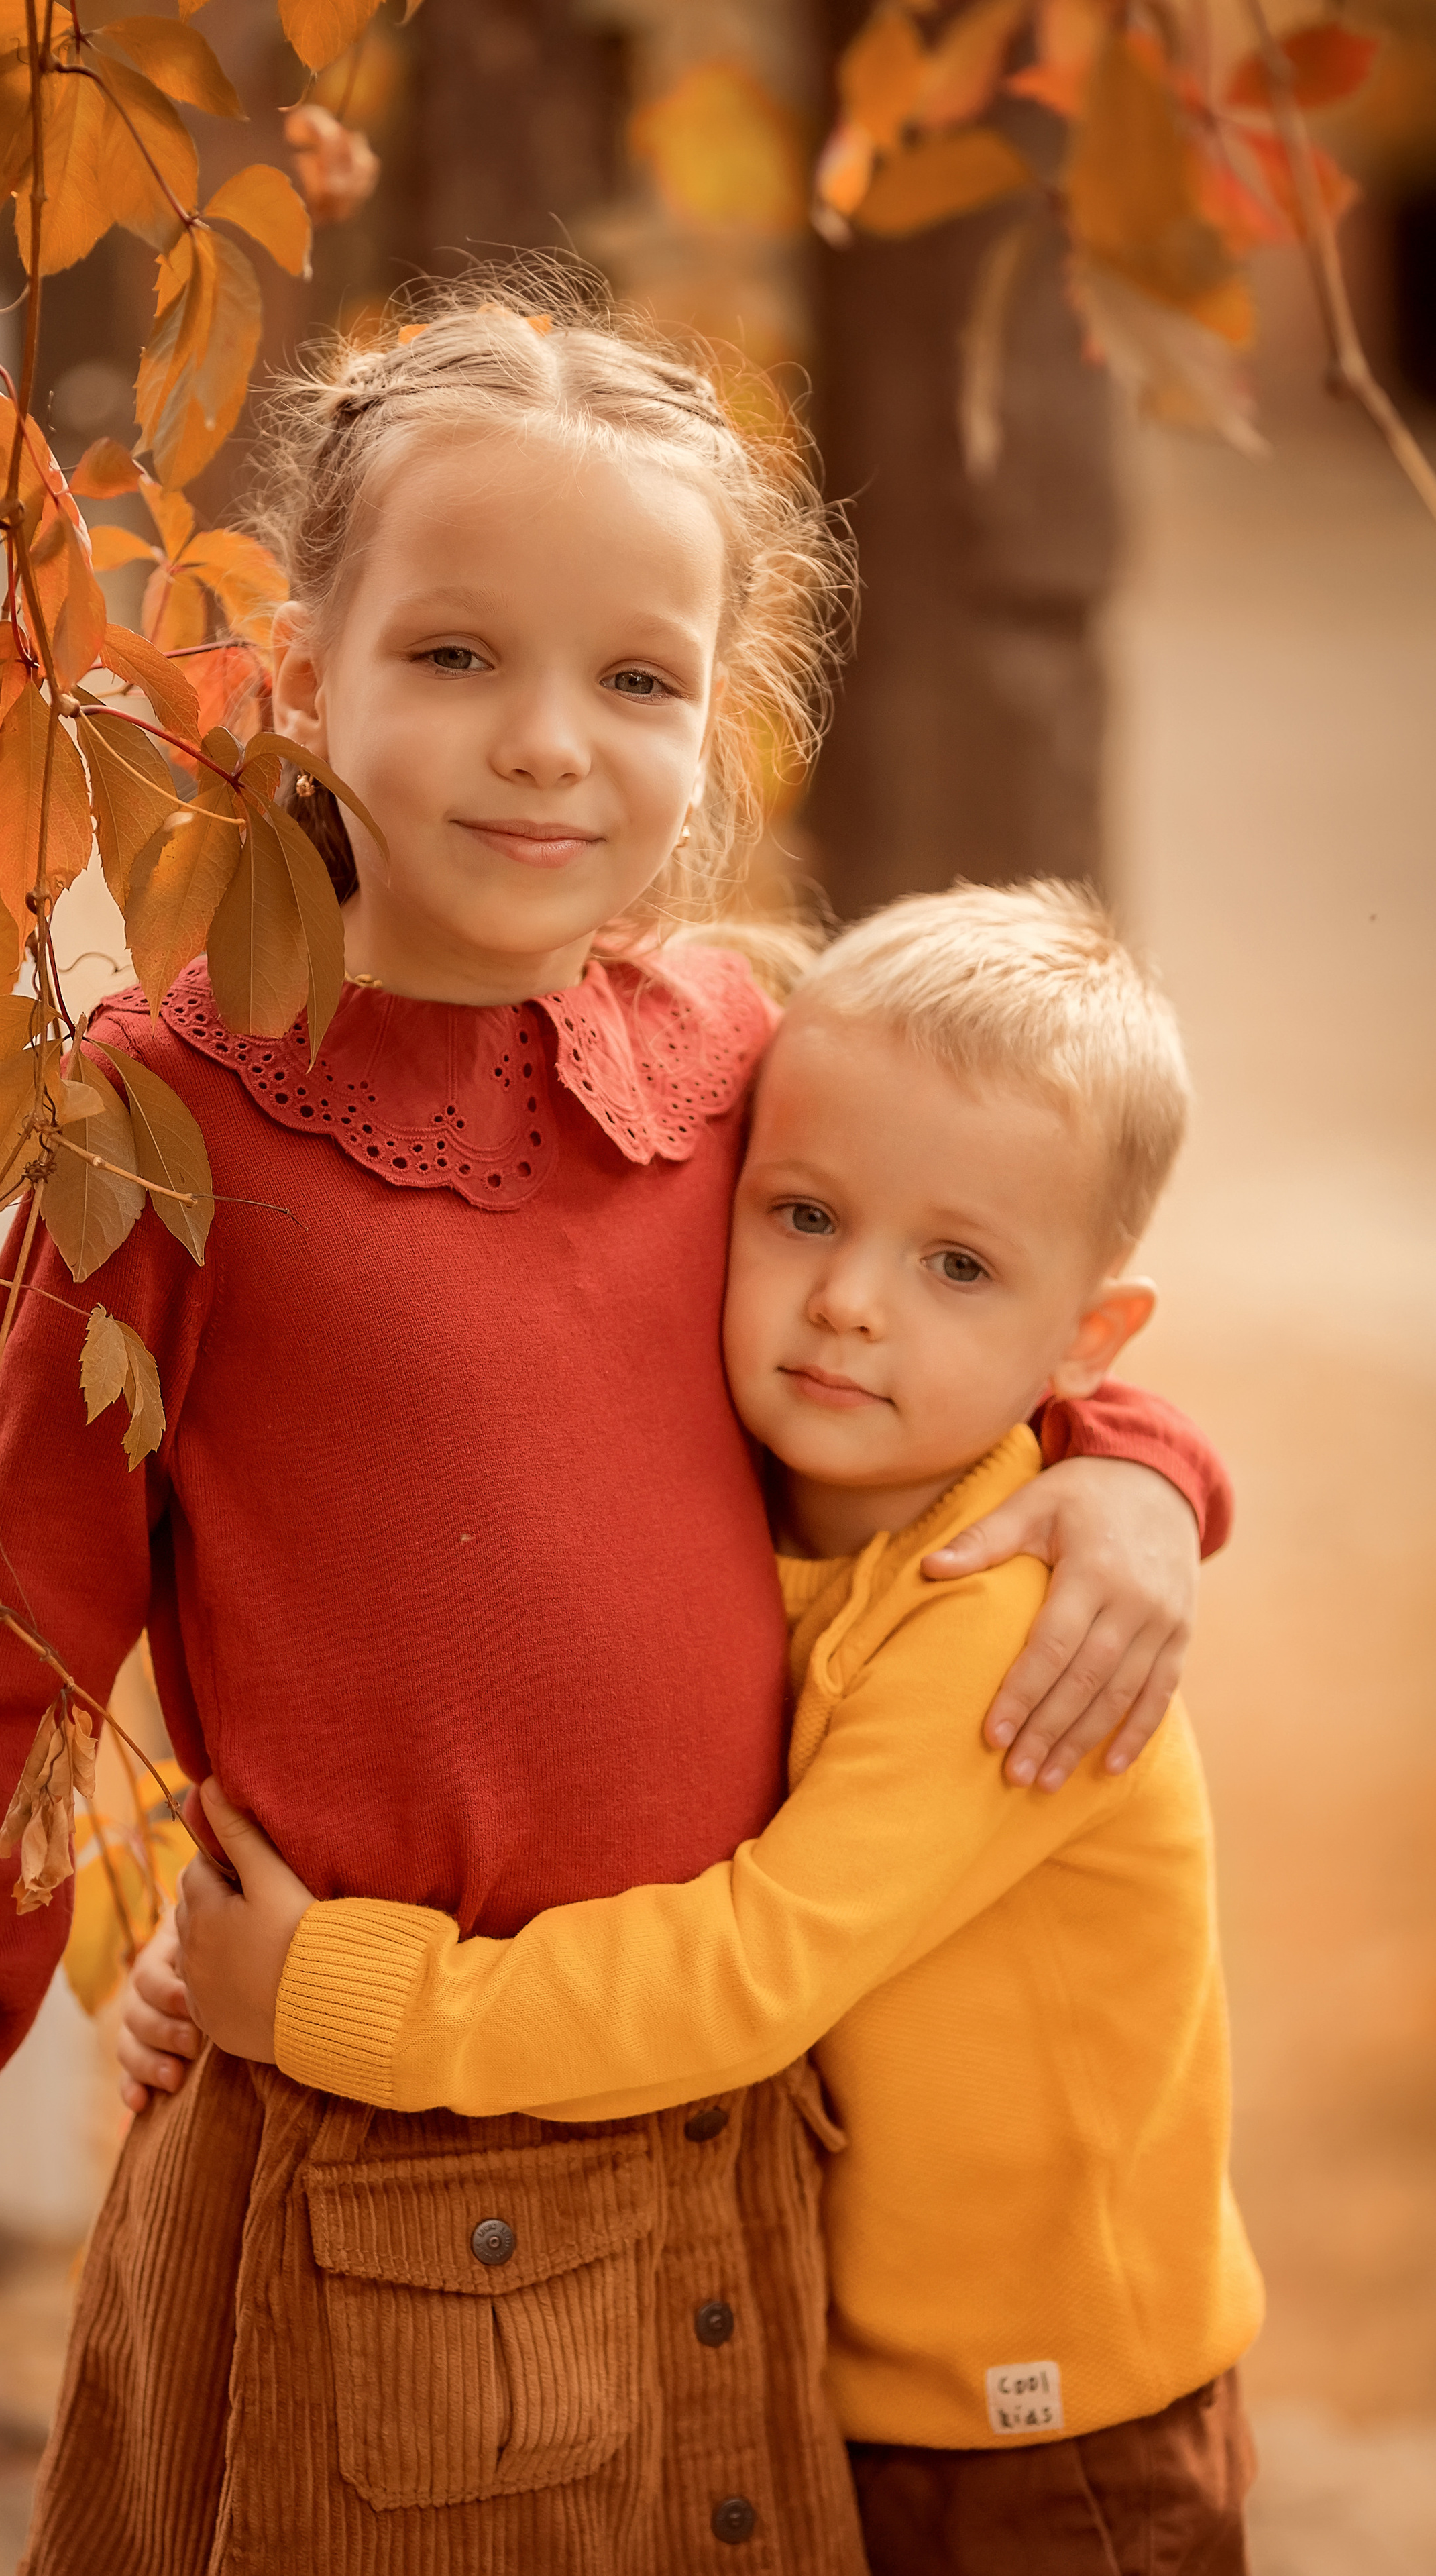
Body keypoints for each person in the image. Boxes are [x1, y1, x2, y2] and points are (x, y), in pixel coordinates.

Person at [0, 278, 1231, 2576]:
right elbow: (9, 1605)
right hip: (371, 2158)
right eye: (457, 657)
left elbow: (973, 1300)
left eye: (635, 679)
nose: (548, 742)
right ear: (304, 673)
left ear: (716, 724)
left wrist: (1141, 1478)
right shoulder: (168, 1117)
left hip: (726, 2138)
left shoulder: (739, 1050)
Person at [147, 880, 1263, 2576]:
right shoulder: (747, 1501)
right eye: (803, 1215)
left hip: (1044, 2437)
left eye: (954, 1264)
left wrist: (327, 1995)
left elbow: (745, 1971)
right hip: (831, 2371)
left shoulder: (1003, 1614)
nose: (850, 1303)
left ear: (1083, 1338)